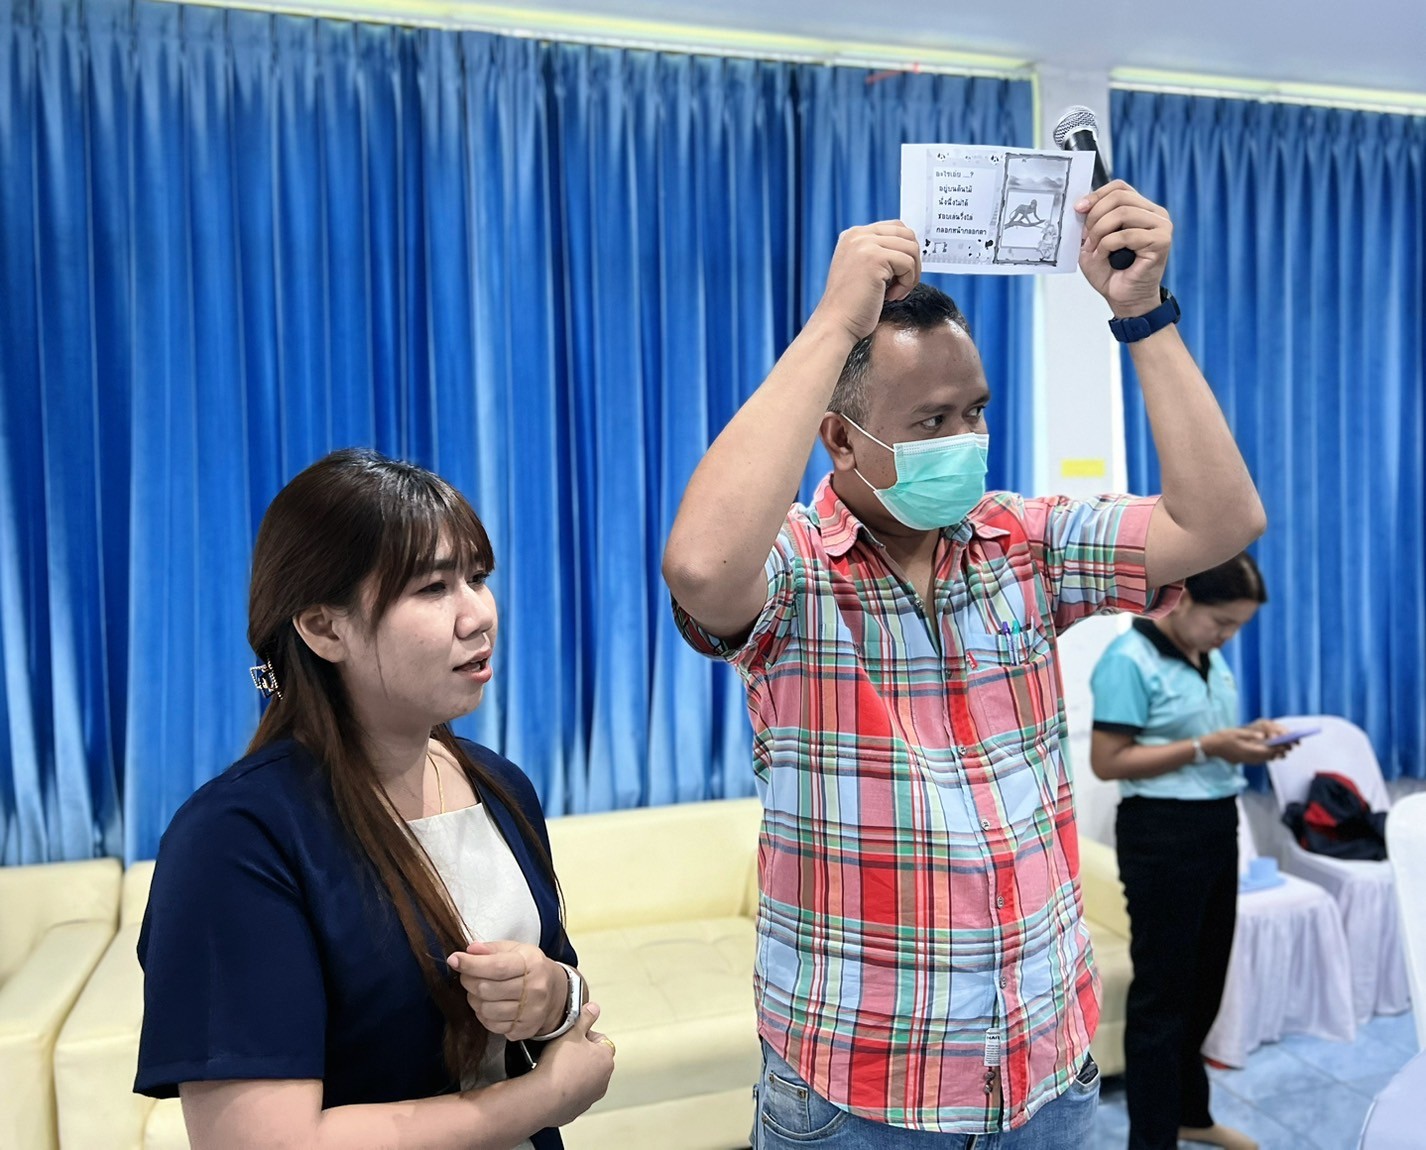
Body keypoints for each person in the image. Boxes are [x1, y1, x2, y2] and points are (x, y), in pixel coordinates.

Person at [661, 181, 1267, 1146]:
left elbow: (1220, 521)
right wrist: (832, 323)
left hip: (1045, 1072)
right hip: (862, 1091)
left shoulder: (1024, 542)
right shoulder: (790, 574)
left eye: (975, 413)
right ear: (841, 439)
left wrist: (1142, 314)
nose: (966, 442)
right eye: (931, 422)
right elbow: (699, 566)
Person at [134, 448, 614, 1150]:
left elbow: (558, 997)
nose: (478, 615)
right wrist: (540, 1100)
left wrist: (551, 998)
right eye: (431, 588)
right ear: (324, 627)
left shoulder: (499, 784)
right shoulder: (236, 837)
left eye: (476, 578)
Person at [1089, 552, 1289, 1150]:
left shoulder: (1206, 655)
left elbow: (1202, 738)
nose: (1227, 636)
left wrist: (1248, 740)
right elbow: (1109, 761)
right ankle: (1152, 1141)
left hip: (1213, 826)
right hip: (1160, 835)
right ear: (1183, 600)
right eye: (1221, 622)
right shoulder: (1128, 659)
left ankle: (1190, 1116)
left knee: (1204, 984)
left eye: (1237, 628)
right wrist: (1209, 747)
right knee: (1162, 996)